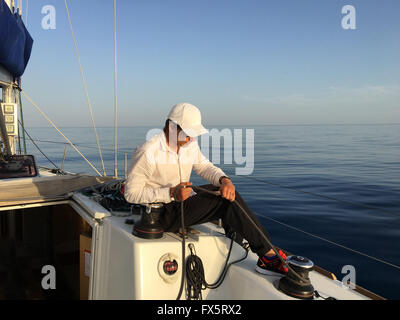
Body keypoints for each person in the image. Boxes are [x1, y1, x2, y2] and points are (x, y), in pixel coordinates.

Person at [124, 102, 288, 276]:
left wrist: (224, 180)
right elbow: (131, 193)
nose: (192, 138)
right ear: (172, 127)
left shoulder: (189, 145)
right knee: (223, 201)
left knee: (225, 192)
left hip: (180, 204)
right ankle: (268, 257)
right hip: (158, 214)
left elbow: (203, 166)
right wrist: (171, 193)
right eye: (189, 133)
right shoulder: (148, 150)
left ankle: (244, 244)